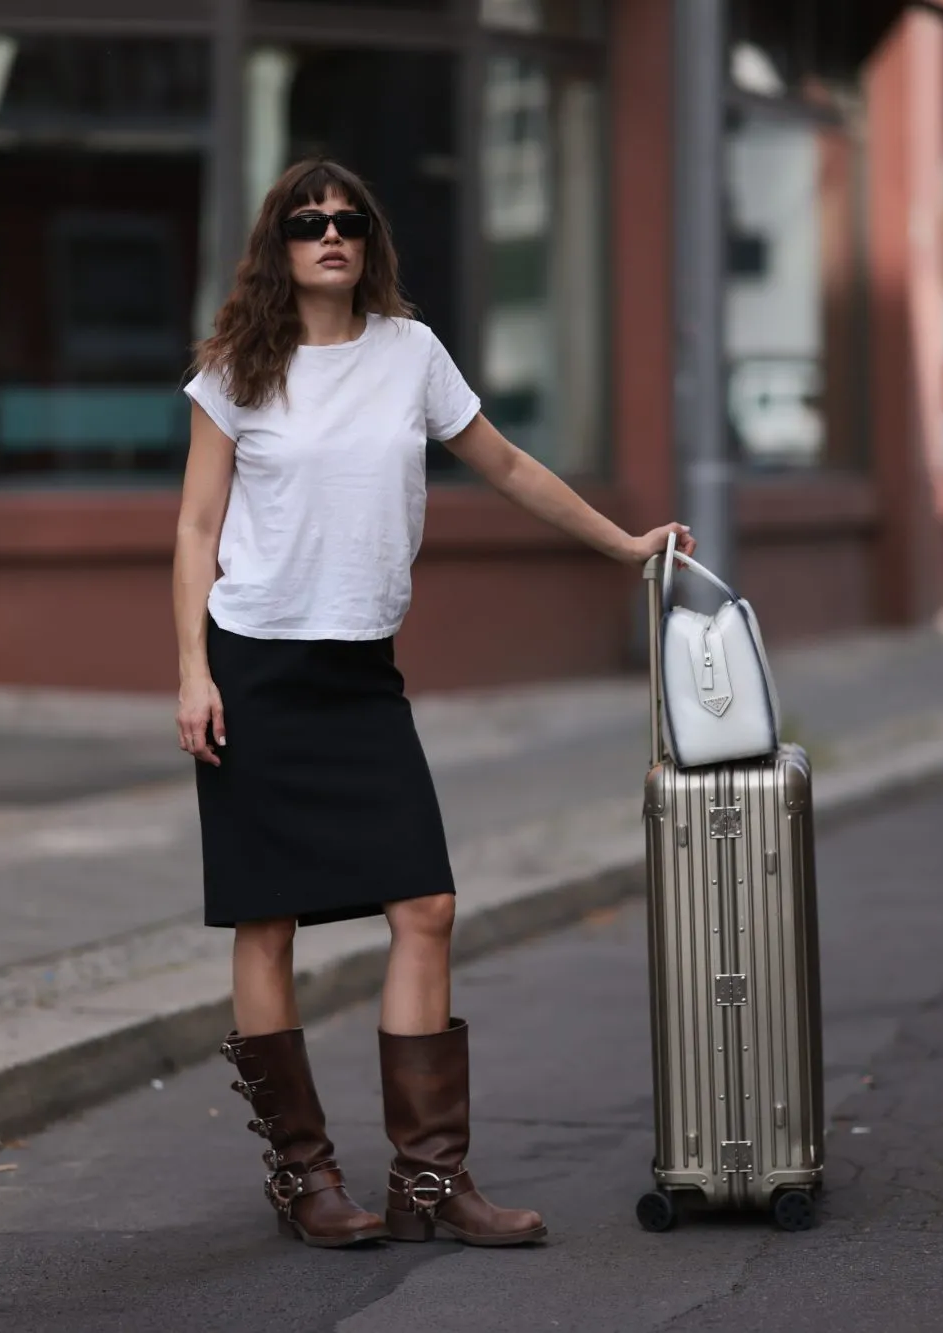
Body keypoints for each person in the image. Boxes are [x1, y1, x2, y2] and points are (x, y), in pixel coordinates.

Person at [174, 159, 693, 1248]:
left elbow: (501, 464)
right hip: (257, 666)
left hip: (361, 674)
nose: (329, 235)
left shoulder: (410, 355)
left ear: (369, 243)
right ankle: (304, 1177)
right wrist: (191, 669)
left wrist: (621, 545)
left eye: (347, 221)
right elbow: (194, 531)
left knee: (426, 905)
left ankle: (427, 1181)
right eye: (308, 222)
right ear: (278, 244)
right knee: (265, 919)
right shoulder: (235, 369)